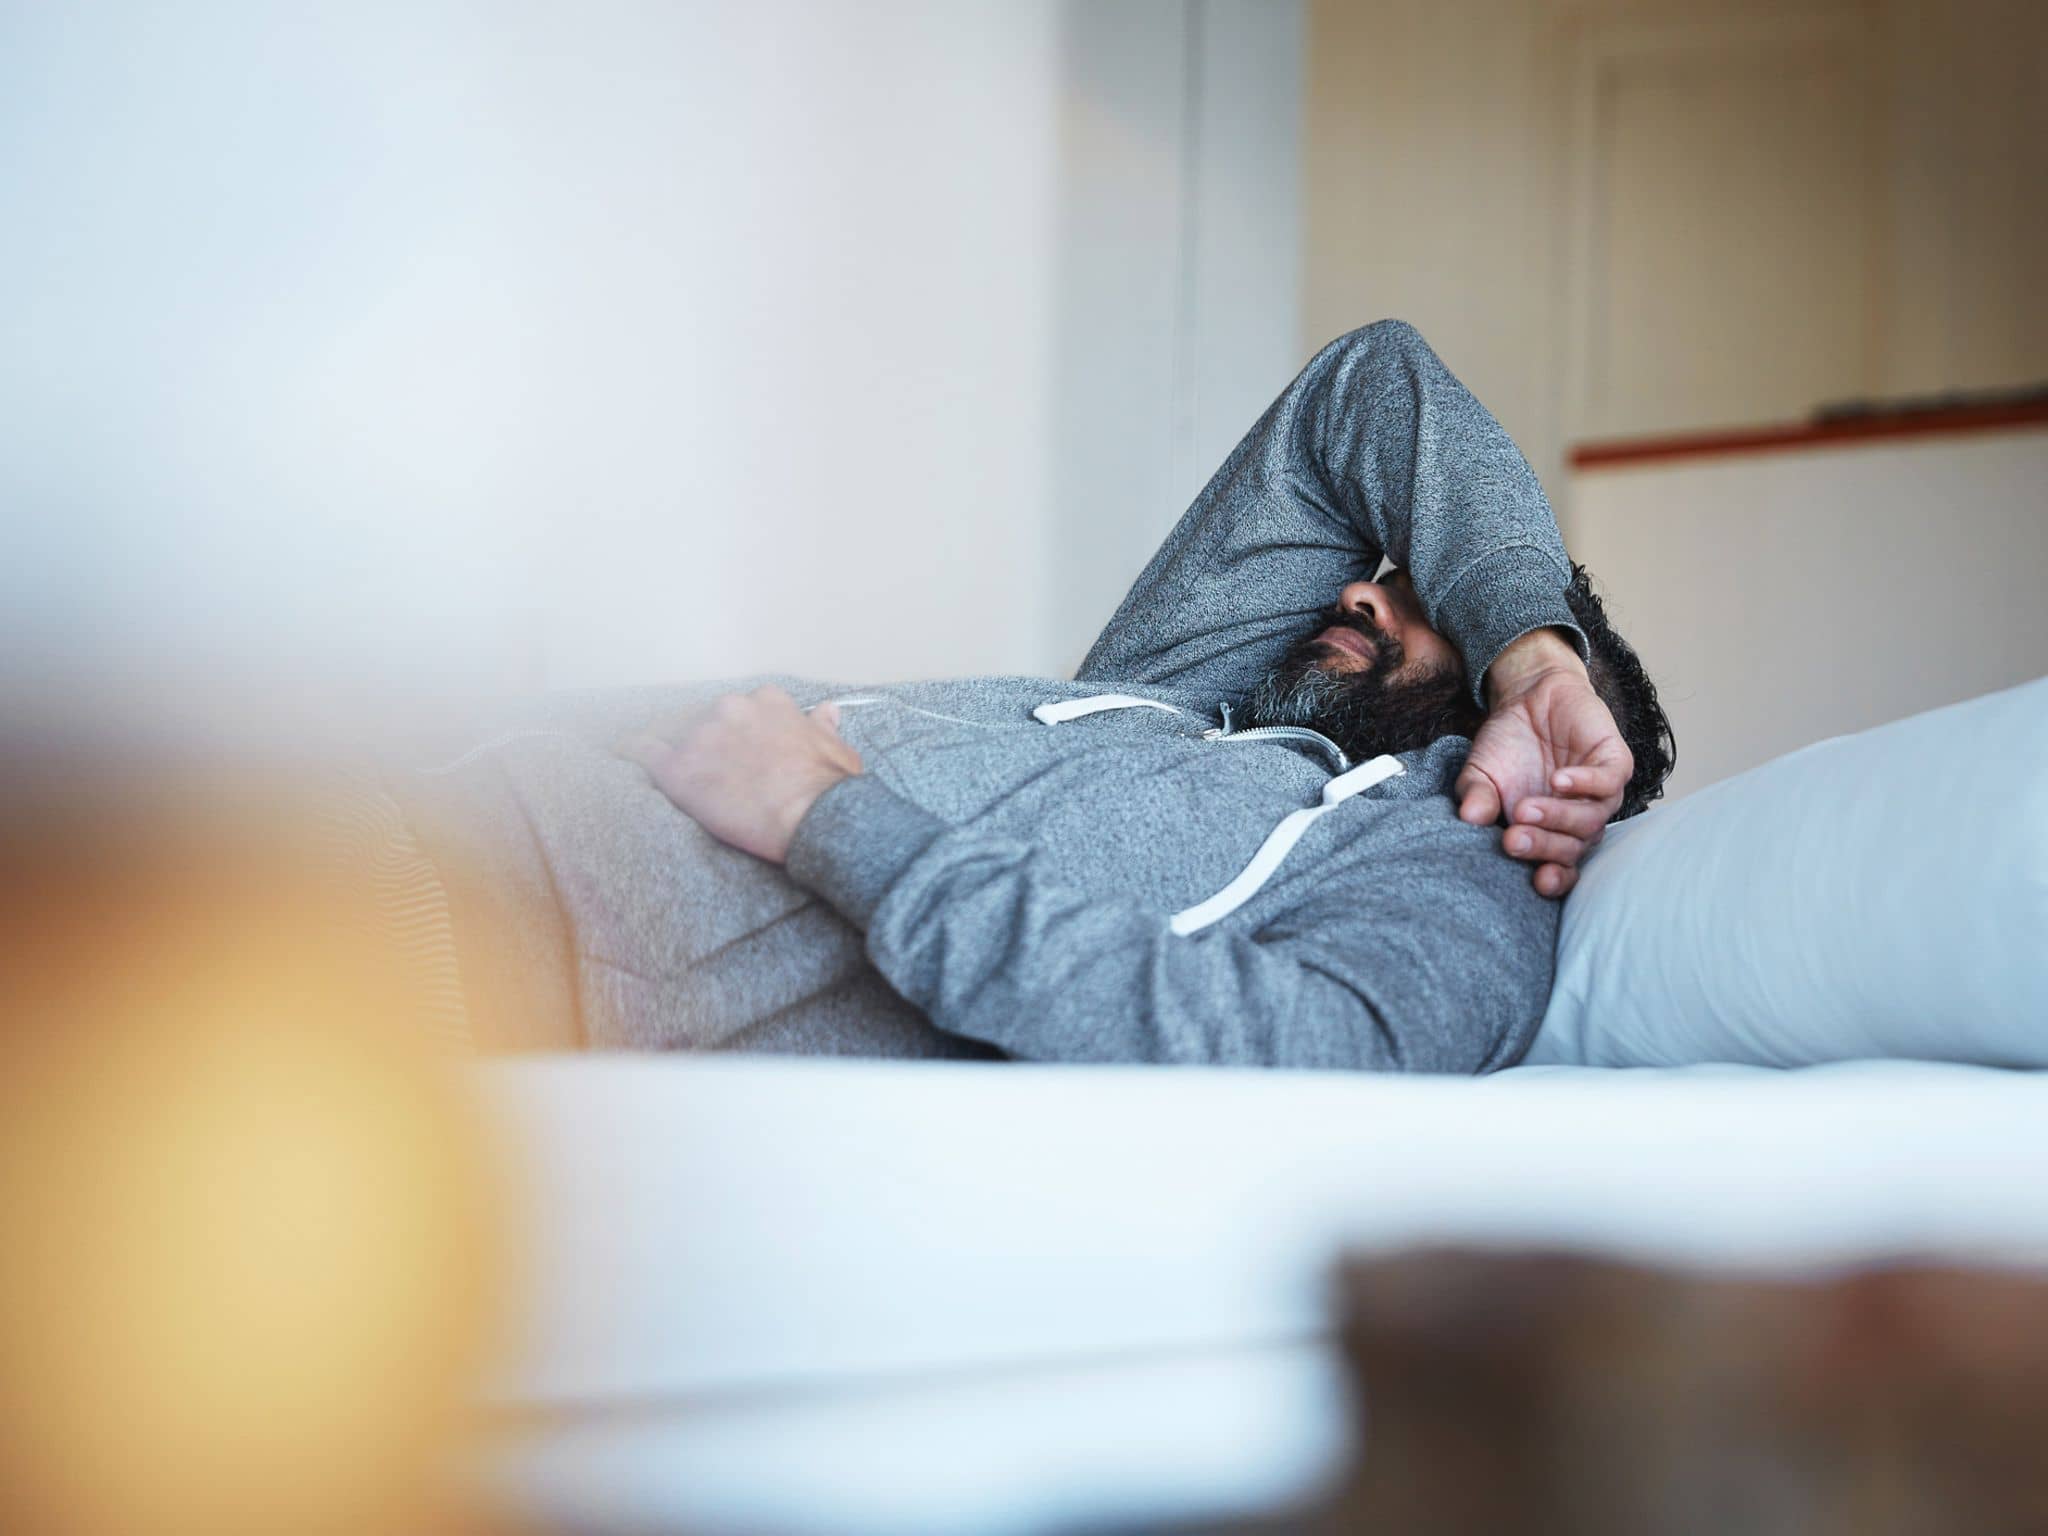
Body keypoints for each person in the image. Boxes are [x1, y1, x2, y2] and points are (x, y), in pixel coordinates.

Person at [383, 320, 1673, 1067]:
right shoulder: (1191, 711)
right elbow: (1370, 384)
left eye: (1420, 605)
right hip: (435, 793)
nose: (1359, 598)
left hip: (486, 937)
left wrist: (826, 815)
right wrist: (1530, 646)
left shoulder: (1450, 885)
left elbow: (1273, 1049)